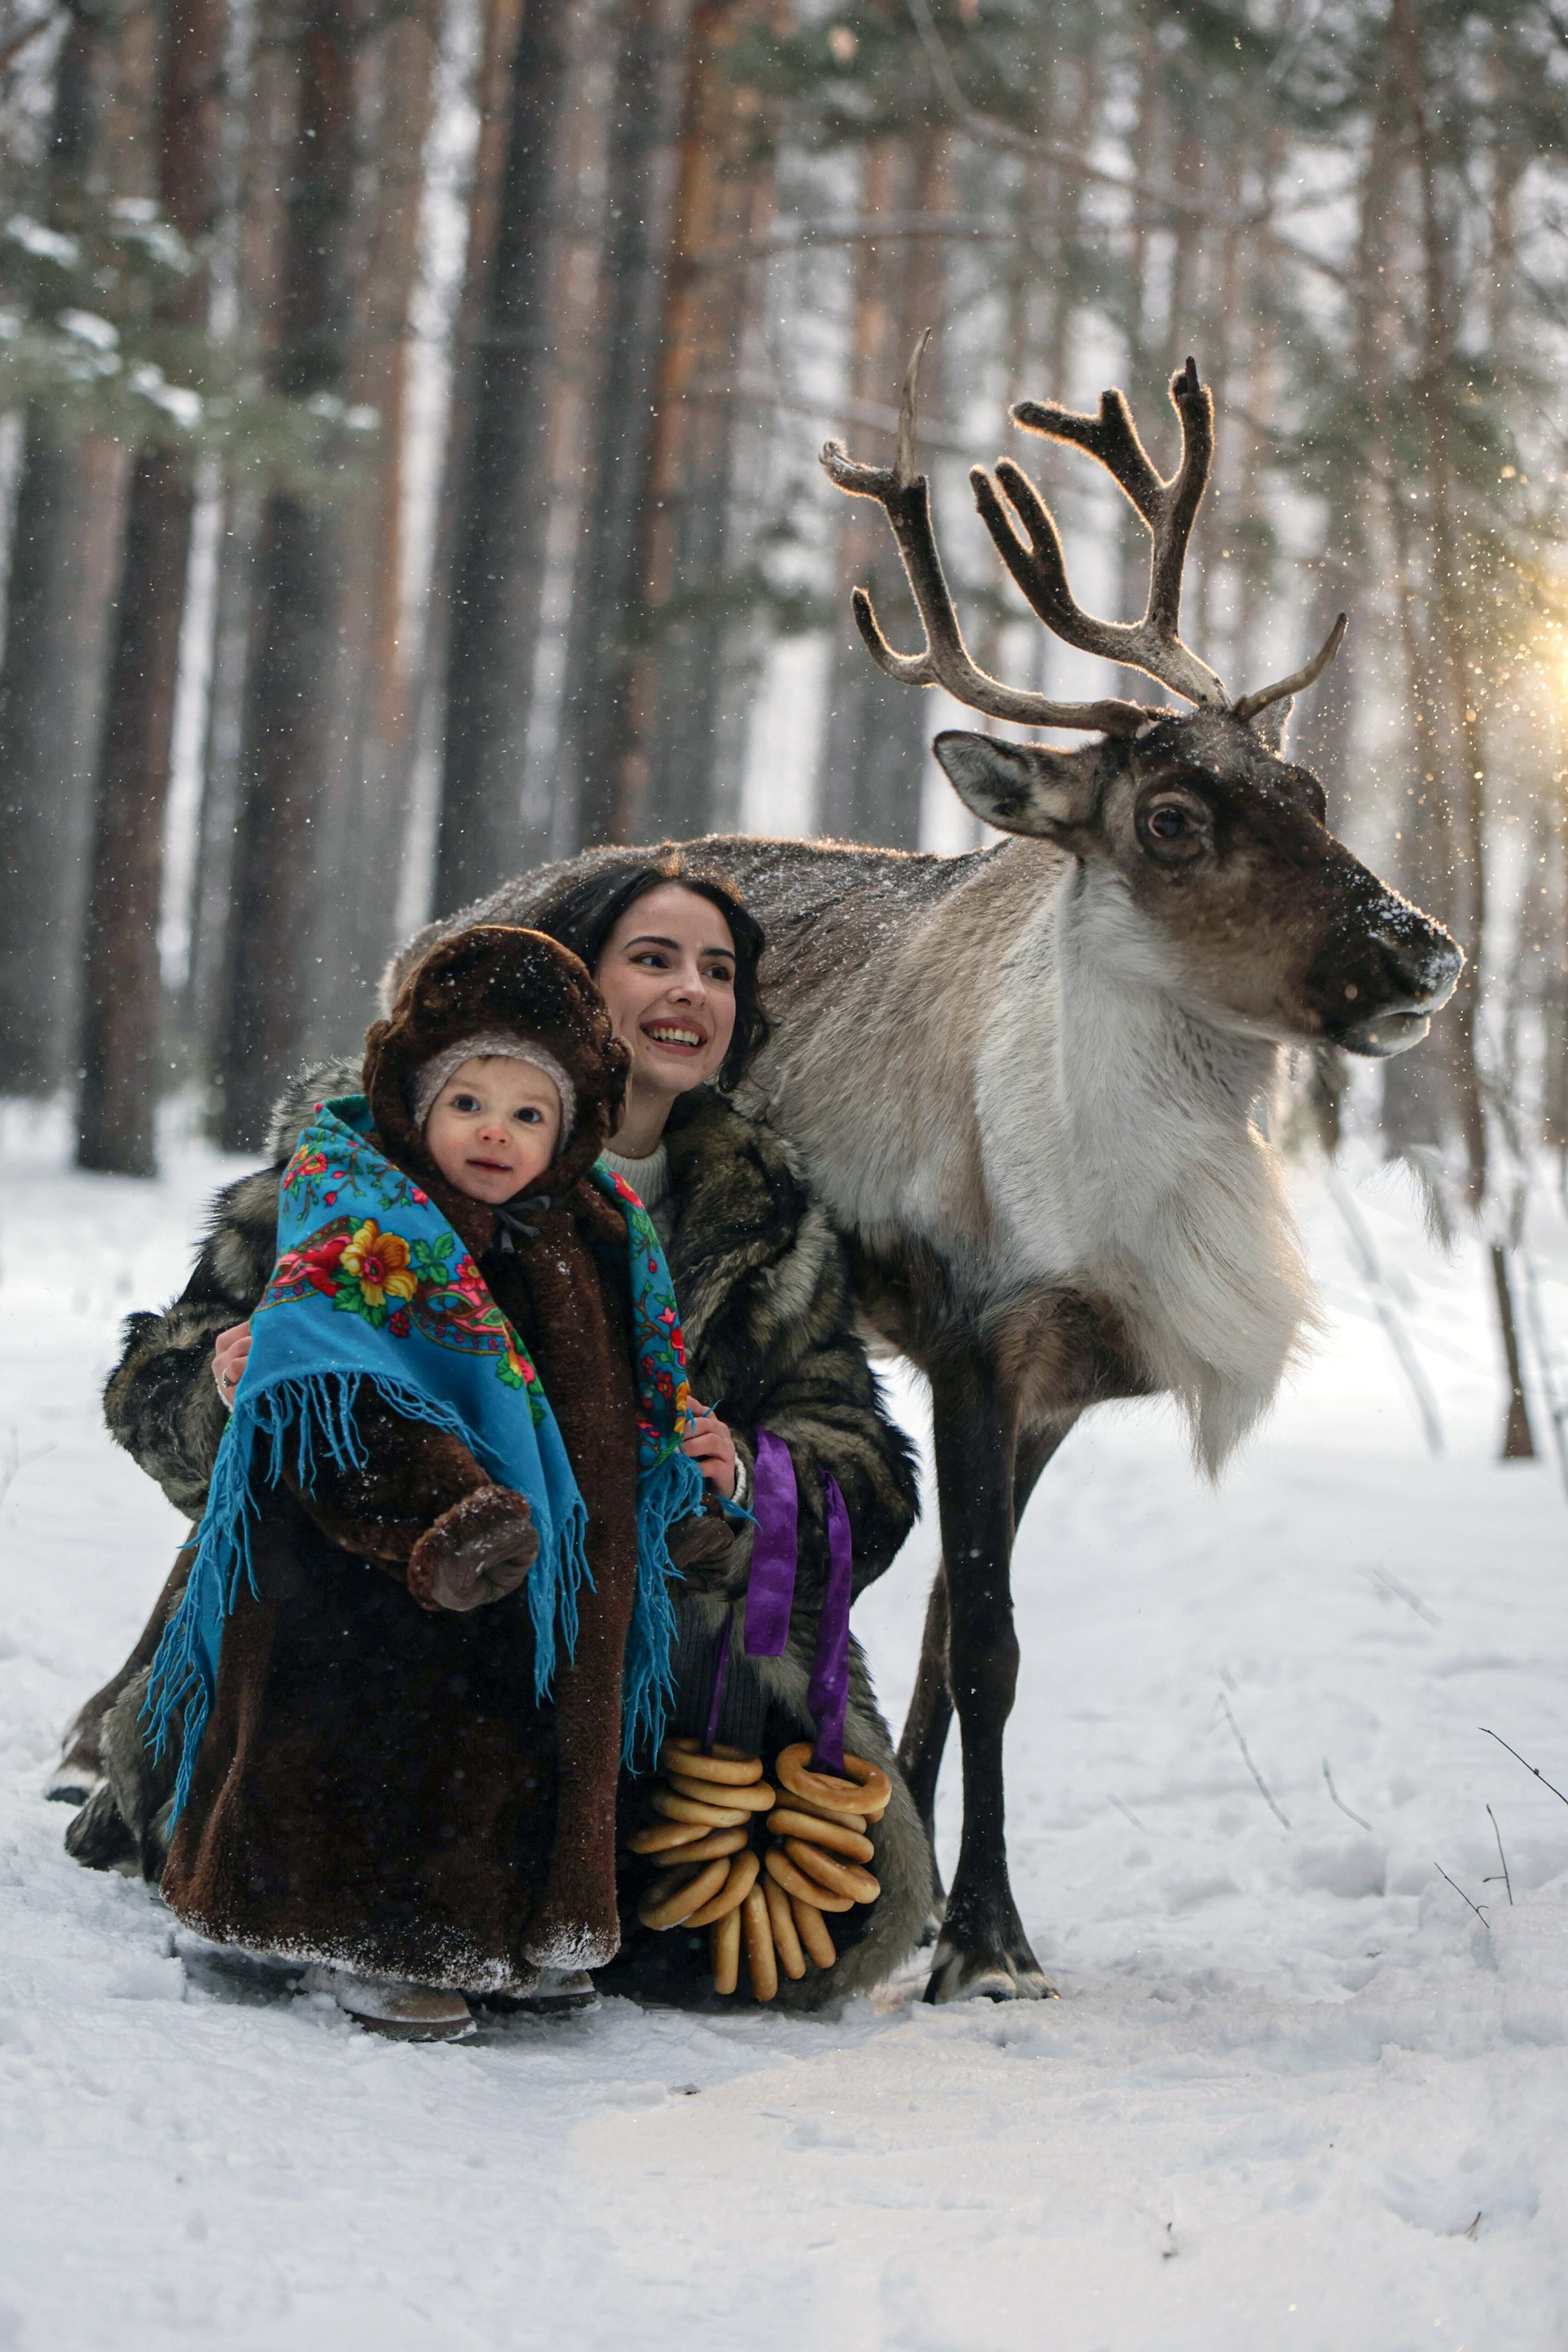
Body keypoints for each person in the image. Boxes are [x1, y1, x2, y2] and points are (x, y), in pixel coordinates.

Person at [64, 856, 928, 2011]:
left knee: (802, 1914)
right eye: (654, 959)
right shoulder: (375, 1156)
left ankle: (540, 1902)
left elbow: (863, 1469)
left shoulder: (764, 1219)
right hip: (377, 1605)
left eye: (718, 971)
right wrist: (243, 1392)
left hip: (650, 1634)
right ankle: (304, 1886)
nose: (690, 992)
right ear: (571, 984)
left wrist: (749, 1479)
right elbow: (159, 1382)